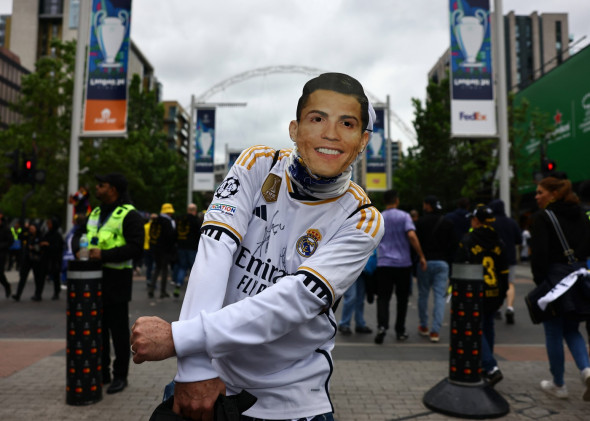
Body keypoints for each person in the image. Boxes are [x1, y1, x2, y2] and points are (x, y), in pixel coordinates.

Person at [130, 72, 384, 420]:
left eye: (347, 123)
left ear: (363, 140)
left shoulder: (362, 217)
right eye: (317, 118)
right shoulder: (258, 163)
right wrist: (194, 370)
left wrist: (179, 338)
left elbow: (292, 302)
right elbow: (214, 253)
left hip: (292, 402)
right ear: (294, 129)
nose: (331, 133)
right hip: (207, 382)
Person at [530, 177, 590, 400]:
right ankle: (586, 371)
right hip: (578, 276)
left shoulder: (543, 218)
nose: (536, 196)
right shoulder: (582, 215)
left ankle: (559, 384)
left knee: (553, 331)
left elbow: (539, 256)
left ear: (553, 194)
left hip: (554, 279)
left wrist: (541, 282)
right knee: (572, 329)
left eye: (540, 192)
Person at [87, 173, 144, 394]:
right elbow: (83, 235)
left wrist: (104, 255)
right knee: (98, 330)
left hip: (117, 281)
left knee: (118, 332)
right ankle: (103, 373)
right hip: (93, 280)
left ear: (114, 189)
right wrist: (77, 245)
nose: (97, 188)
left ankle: (121, 376)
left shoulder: (129, 215)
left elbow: (136, 247)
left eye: (101, 185)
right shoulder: (96, 212)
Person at [454, 204, 509, 386]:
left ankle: (490, 366)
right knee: (488, 326)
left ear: (477, 220)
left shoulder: (469, 239)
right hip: (495, 290)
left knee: (477, 328)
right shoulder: (499, 241)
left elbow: (460, 263)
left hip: (475, 292)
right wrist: (503, 294)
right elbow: (504, 271)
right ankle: (487, 365)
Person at [373, 189, 426, 344]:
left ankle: (382, 327)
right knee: (402, 298)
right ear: (397, 200)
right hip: (403, 264)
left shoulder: (379, 217)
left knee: (383, 297)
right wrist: (421, 256)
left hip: (384, 263)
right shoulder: (405, 216)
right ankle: (400, 330)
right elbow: (411, 235)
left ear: (385, 201)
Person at [415, 195, 457, 342]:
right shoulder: (448, 223)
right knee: (439, 296)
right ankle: (435, 331)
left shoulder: (420, 222)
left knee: (423, 295)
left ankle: (424, 326)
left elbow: (415, 244)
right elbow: (453, 246)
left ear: (428, 206)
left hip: (424, 262)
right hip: (443, 263)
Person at [489, 199, 522, 324]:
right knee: (510, 283)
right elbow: (519, 240)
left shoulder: (491, 223)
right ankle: (510, 307)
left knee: (496, 282)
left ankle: (497, 308)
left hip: (494, 257)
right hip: (510, 257)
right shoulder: (511, 222)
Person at [338, 248, 376, 336]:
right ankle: (344, 323)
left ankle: (359, 324)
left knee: (360, 298)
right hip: (350, 269)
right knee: (351, 297)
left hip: (363, 269)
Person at [173, 203, 202, 297]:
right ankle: (195, 288)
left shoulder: (180, 219)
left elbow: (175, 233)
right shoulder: (195, 220)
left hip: (181, 246)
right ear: (195, 211)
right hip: (192, 247)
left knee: (182, 267)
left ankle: (178, 283)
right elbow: (199, 234)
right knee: (193, 268)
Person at [148, 203, 177, 299]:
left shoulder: (155, 220)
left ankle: (151, 289)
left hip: (155, 248)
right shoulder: (167, 221)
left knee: (157, 268)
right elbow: (170, 236)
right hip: (165, 249)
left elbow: (151, 234)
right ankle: (162, 291)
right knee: (164, 270)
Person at [12, 223, 43, 301]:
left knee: (37, 277)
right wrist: (24, 228)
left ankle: (38, 294)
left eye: (33, 228)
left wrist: (34, 247)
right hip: (28, 259)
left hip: (36, 259)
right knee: (23, 277)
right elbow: (20, 236)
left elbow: (41, 247)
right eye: (30, 229)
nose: (31, 230)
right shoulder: (28, 235)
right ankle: (18, 294)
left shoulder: (39, 237)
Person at [39, 216, 64, 300]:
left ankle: (56, 292)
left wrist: (48, 245)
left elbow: (58, 247)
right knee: (41, 276)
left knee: (55, 276)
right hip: (46, 258)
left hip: (54, 259)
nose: (48, 225)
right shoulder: (47, 233)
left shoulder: (57, 235)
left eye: (49, 223)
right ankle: (38, 293)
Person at [0, 213, 14, 298]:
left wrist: (1, 246)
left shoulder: (6, 228)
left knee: (0, 273)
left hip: (1, 254)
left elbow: (10, 241)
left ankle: (6, 285)